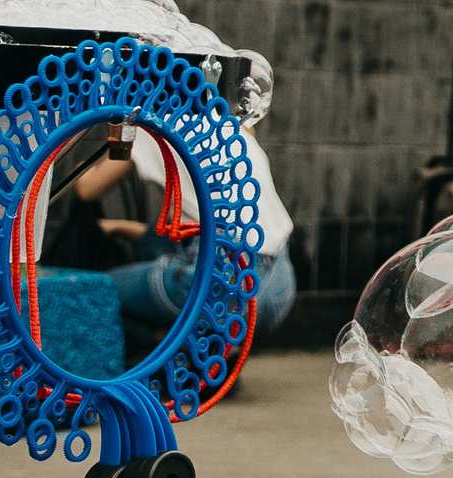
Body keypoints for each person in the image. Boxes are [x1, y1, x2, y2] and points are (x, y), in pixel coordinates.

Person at [71, 119, 298, 344]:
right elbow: (212, 230)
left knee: (94, 293)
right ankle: (209, 346)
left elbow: (87, 189)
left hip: (225, 287)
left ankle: (175, 348)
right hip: (280, 287)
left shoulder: (153, 125)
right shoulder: (230, 122)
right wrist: (118, 227)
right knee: (190, 245)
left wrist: (82, 166)